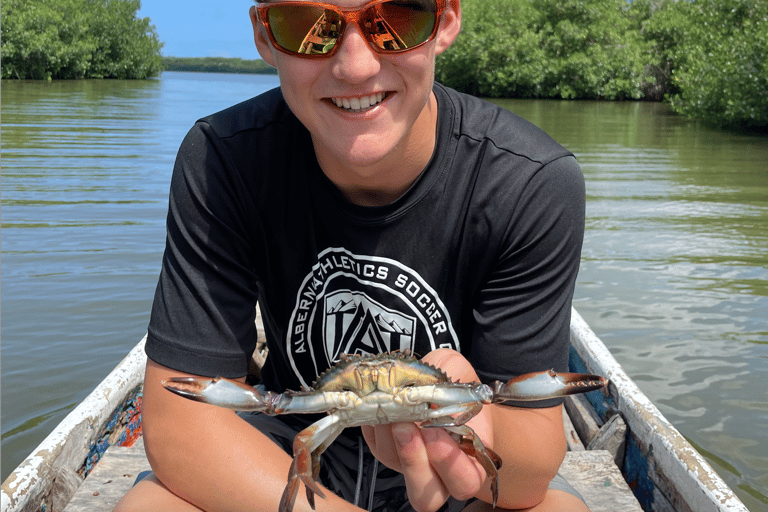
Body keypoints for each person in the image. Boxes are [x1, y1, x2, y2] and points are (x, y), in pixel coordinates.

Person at [115, 0, 588, 510]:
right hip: (289, 458)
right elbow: (177, 426)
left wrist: (479, 418)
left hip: (459, 475)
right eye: (308, 27)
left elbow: (533, 462)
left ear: (445, 20)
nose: (356, 66)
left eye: (397, 20)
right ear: (266, 36)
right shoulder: (222, 160)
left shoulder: (530, 182)